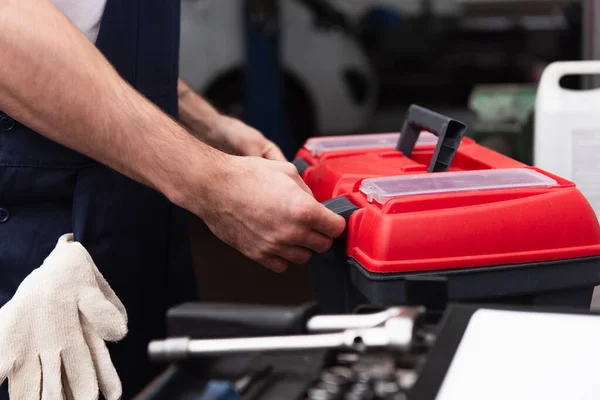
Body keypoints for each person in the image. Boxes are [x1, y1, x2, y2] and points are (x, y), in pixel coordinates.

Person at [0, 0, 346, 398]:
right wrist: (214, 183)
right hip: (38, 252)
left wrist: (207, 122)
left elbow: (110, 40)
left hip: (142, 216)